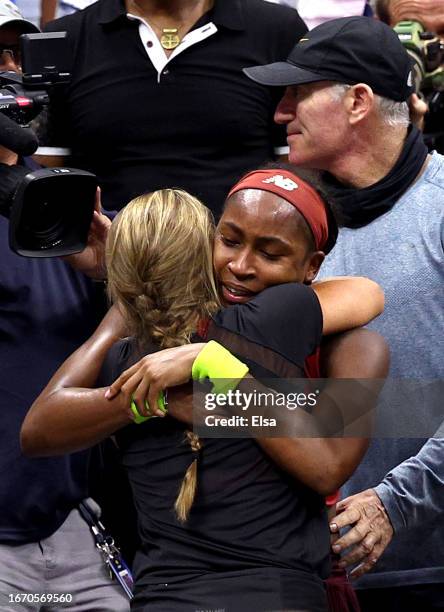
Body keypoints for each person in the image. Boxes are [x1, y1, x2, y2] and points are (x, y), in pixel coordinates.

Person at [21, 173, 388, 611]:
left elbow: (368, 295)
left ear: (313, 266)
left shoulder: (326, 335)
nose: (240, 266)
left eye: (270, 253)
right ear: (204, 244)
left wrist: (205, 363)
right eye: (228, 241)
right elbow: (39, 429)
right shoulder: (150, 353)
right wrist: (160, 390)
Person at [242, 16, 444, 611]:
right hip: (308, 572)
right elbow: (258, 391)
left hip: (429, 569)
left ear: (358, 101)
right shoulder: (285, 225)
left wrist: (395, 501)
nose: (280, 113)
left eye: (297, 93)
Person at [0, 3, 130, 611]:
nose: (8, 72)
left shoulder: (64, 202)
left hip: (72, 525)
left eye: (15, 55)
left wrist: (113, 277)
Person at [36, 0, 307, 217]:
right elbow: (46, 180)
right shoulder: (63, 38)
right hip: (101, 269)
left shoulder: (277, 31)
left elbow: (297, 175)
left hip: (237, 270)